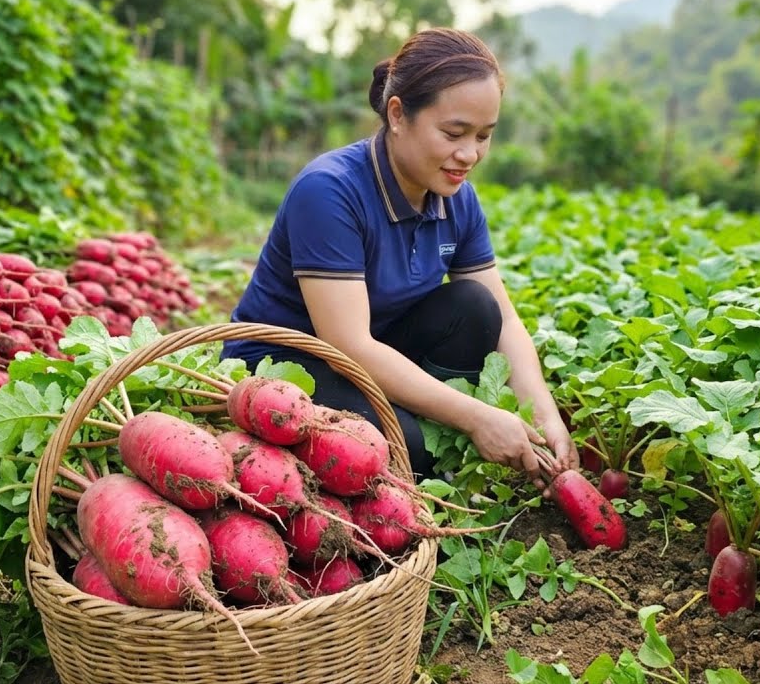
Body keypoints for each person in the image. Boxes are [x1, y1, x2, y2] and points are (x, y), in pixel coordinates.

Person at [223, 27, 576, 497]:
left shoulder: (458, 199)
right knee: (400, 445)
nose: (469, 154)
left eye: (484, 136)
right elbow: (348, 343)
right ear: (397, 114)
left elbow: (505, 320)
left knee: (475, 307)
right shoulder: (329, 191)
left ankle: (420, 448)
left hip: (372, 355)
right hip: (286, 364)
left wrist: (544, 414)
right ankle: (414, 449)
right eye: (453, 133)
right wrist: (476, 417)